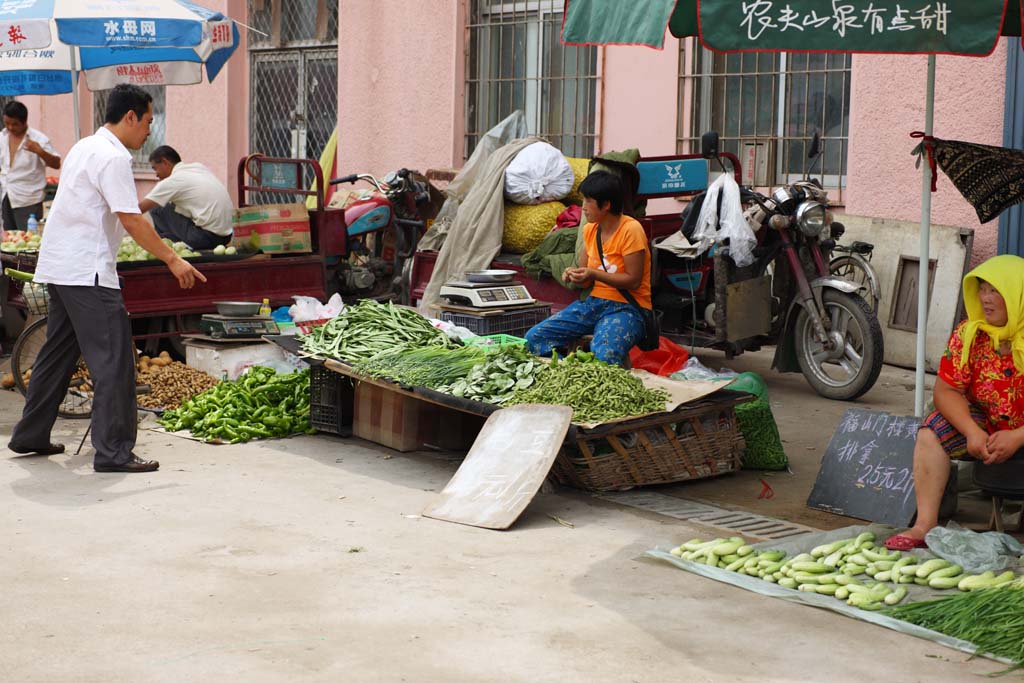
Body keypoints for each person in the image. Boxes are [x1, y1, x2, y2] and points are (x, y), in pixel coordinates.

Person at [7, 84, 207, 473]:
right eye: (148, 121)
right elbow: (130, 217)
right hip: (88, 271)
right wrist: (172, 259)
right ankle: (114, 451)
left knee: (58, 352)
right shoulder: (113, 157)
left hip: (63, 267)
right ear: (129, 117)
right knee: (114, 359)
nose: (150, 131)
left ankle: (30, 434)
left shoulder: (85, 146)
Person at [886, 254, 1024, 550]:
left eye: (995, 290)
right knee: (931, 430)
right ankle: (924, 526)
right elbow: (946, 391)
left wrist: (1017, 436)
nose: (985, 298)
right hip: (987, 426)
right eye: (982, 289)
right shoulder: (970, 334)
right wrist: (972, 431)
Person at [524, 171, 651, 365]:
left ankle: (597, 379)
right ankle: (572, 375)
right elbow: (585, 279)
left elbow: (633, 280)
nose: (583, 208)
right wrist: (573, 274)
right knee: (534, 339)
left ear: (606, 204)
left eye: (588, 201)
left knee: (605, 354)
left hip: (628, 309)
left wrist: (593, 273)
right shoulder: (590, 230)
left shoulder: (631, 229)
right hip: (593, 304)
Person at [138, 145, 234, 250]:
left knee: (157, 207)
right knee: (170, 202)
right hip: (226, 237)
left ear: (165, 162)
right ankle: (179, 243)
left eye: (155, 168)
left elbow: (140, 209)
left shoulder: (173, 181)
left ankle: (167, 246)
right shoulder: (198, 167)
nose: (156, 174)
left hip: (205, 239)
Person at [0, 100, 61, 232]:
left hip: (29, 200)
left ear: (24, 122)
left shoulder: (39, 139)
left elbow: (56, 163)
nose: (10, 127)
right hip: (6, 196)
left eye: (14, 124)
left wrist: (40, 151)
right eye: (7, 123)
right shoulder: (2, 137)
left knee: (28, 241)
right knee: (8, 240)